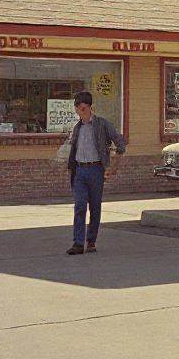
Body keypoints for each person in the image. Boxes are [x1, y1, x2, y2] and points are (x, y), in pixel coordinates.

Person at [63, 90, 127, 255]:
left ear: (91, 107)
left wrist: (114, 164)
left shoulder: (102, 124)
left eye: (83, 109)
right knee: (79, 205)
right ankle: (78, 243)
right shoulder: (77, 128)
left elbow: (119, 142)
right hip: (79, 169)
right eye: (77, 109)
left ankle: (91, 240)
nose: (80, 112)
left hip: (96, 169)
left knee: (95, 206)